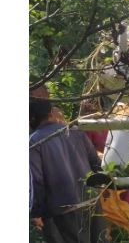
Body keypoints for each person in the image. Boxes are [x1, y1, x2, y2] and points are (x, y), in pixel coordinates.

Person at [30, 98, 107, 243]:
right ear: (51, 113)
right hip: (90, 200)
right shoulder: (75, 131)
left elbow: (37, 180)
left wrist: (36, 211)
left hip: (63, 208)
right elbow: (96, 164)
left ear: (31, 118)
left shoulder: (34, 142)